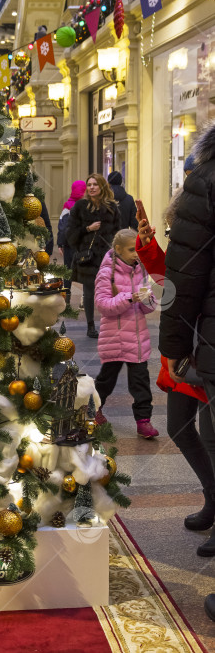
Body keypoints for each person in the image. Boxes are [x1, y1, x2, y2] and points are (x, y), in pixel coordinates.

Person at [158, 120, 215, 621]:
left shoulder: (206, 181)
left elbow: (185, 274)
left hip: (206, 344)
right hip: (203, 346)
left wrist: (175, 344)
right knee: (185, 427)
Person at [136, 194, 215, 538]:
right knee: (180, 427)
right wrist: (148, 243)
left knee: (212, 439)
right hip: (187, 352)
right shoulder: (190, 245)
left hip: (206, 350)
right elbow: (169, 278)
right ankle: (212, 495)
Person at [94, 229, 158, 437]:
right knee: (106, 381)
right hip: (113, 340)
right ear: (118, 249)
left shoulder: (141, 271)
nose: (136, 254)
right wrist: (130, 297)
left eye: (138, 249)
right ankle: (93, 410)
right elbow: (103, 305)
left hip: (137, 341)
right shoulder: (107, 273)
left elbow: (149, 307)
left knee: (141, 383)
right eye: (132, 250)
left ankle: (143, 421)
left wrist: (148, 299)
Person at [66, 173, 120, 338]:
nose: (91, 188)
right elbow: (70, 234)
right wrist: (88, 229)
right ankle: (91, 326)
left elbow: (119, 232)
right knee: (89, 291)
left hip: (108, 256)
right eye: (89, 185)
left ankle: (110, 323)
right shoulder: (80, 207)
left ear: (102, 186)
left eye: (95, 184)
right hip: (88, 257)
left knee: (110, 291)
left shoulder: (112, 207)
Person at [57, 180, 87, 304]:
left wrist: (61, 244)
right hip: (83, 245)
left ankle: (66, 299)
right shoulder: (86, 205)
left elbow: (62, 227)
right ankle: (84, 300)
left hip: (69, 245)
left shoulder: (67, 206)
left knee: (68, 271)